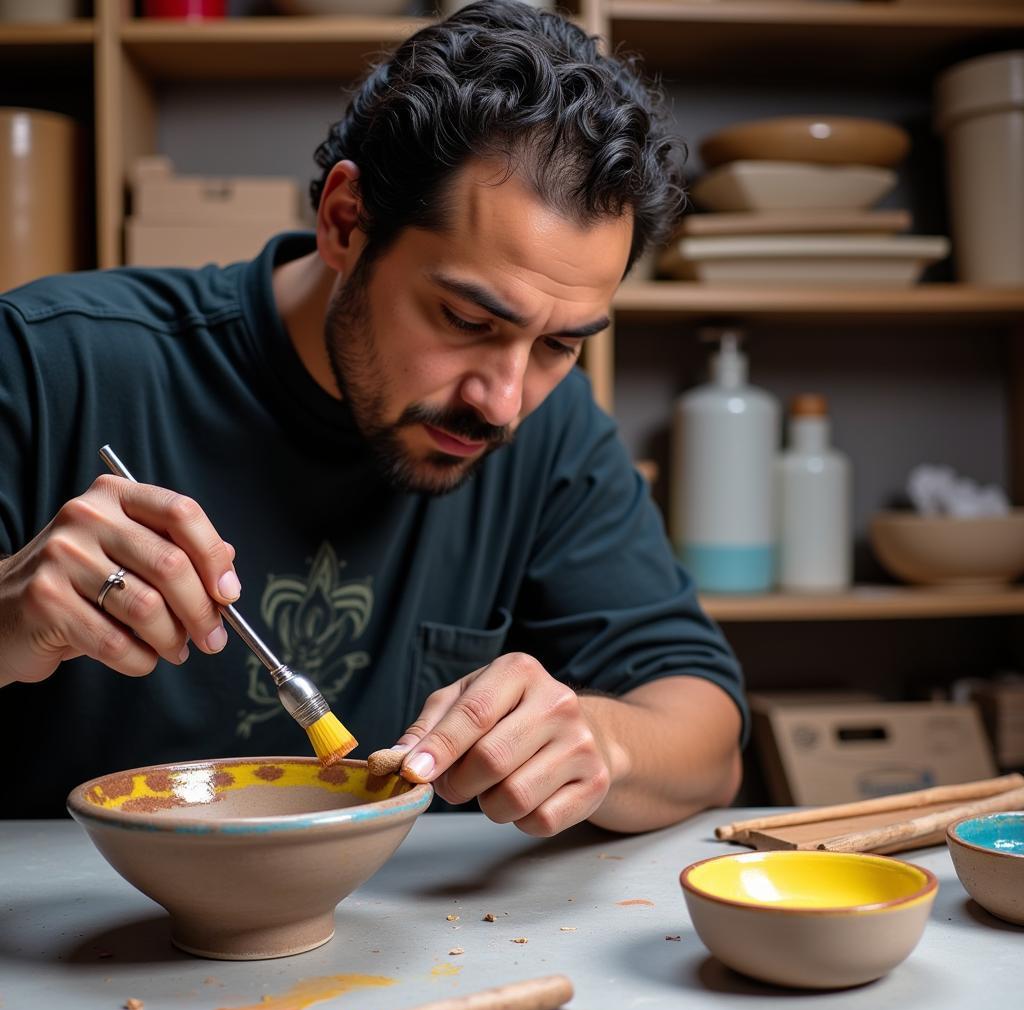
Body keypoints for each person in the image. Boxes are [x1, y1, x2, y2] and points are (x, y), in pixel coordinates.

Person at [0, 0, 746, 833]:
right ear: (346, 221)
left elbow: (708, 738)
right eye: (468, 321)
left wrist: (602, 743)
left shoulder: (552, 427)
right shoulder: (46, 363)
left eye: (558, 344)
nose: (502, 402)